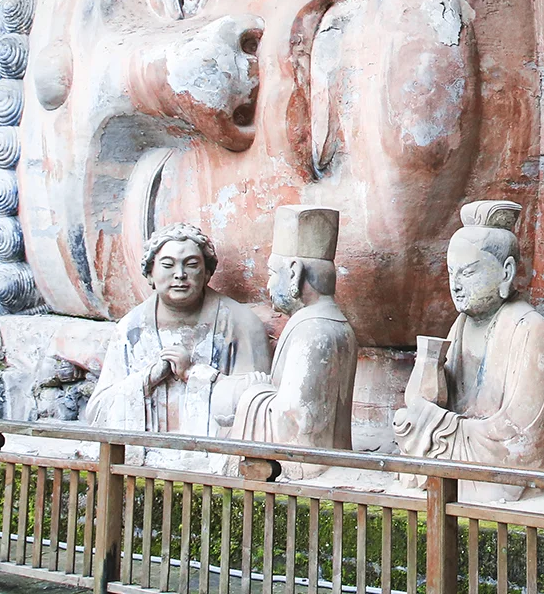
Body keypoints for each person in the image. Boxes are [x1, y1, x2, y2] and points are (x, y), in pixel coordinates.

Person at [394, 200, 544, 502]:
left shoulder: (530, 328)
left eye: (468, 273)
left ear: (506, 272)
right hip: (462, 443)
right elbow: (434, 400)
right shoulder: (461, 325)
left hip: (498, 456)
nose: (455, 286)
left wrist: (440, 427)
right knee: (408, 421)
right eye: (451, 273)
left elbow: (522, 434)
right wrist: (428, 367)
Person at [86, 223, 270, 437]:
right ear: (150, 274)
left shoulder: (242, 324)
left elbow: (260, 404)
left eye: (191, 265)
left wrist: (195, 374)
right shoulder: (130, 330)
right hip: (145, 454)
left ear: (207, 273)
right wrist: (146, 380)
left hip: (215, 454)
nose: (180, 274)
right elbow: (98, 412)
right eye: (168, 265)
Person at [222, 205, 358, 479]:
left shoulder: (313, 331)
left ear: (294, 273)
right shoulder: (333, 323)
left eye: (273, 273)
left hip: (306, 471)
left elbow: (295, 419)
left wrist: (251, 392)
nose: (268, 285)